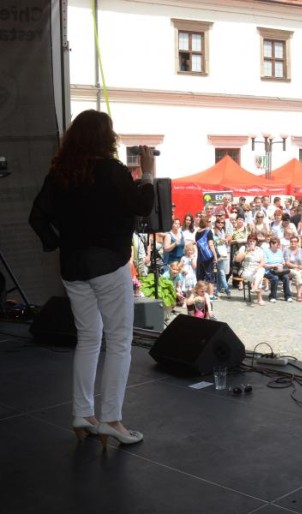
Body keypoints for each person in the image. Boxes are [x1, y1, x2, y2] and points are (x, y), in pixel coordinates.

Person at [29, 110, 154, 446]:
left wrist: (57, 243)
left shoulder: (60, 174)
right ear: (106, 138)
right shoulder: (112, 171)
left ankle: (83, 414)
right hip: (108, 265)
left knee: (88, 338)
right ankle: (111, 419)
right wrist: (149, 174)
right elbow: (141, 206)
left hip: (72, 267)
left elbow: (37, 216)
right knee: (119, 341)